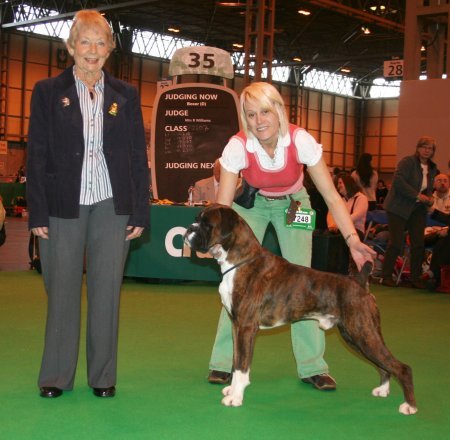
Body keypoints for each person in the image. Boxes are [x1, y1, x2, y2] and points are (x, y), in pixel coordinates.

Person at [208, 82, 375, 391]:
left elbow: (333, 198)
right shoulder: (238, 146)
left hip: (294, 202)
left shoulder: (301, 141)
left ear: (279, 111)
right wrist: (216, 240)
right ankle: (223, 363)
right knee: (237, 285)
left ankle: (312, 366)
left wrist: (353, 240)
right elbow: (223, 207)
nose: (259, 121)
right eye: (251, 114)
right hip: (254, 205)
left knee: (305, 283)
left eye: (266, 112)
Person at [26, 10, 150, 399]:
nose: (92, 51)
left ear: (110, 49)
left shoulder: (125, 96)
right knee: (61, 290)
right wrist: (37, 213)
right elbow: (36, 154)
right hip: (63, 204)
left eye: (101, 43)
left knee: (106, 291)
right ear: (70, 47)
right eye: (85, 42)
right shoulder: (47, 92)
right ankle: (56, 376)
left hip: (112, 205)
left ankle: (103, 376)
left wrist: (140, 210)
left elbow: (136, 156)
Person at [380, 136, 438, 289]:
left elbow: (427, 188)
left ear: (433, 152)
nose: (427, 150)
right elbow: (398, 182)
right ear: (418, 148)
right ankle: (386, 276)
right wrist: (417, 195)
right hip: (398, 207)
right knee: (396, 242)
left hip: (417, 209)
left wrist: (430, 197)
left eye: (430, 148)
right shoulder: (407, 162)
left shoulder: (433, 168)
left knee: (418, 243)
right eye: (424, 147)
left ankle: (415, 277)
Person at [327, 172, 369, 240]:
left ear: (348, 183)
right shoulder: (341, 200)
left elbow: (356, 216)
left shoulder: (361, 198)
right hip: (342, 229)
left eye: (340, 183)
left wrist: (338, 225)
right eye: (337, 184)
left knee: (336, 239)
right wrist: (332, 225)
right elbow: (331, 213)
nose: (338, 186)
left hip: (356, 231)